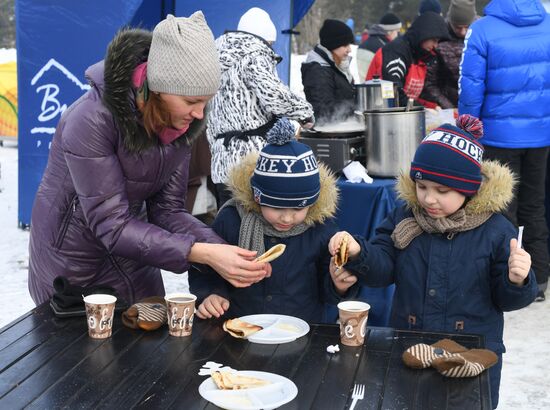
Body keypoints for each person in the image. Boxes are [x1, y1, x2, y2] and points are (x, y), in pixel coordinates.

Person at [27, 12, 272, 306]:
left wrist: (225, 252)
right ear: (157, 88)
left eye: (206, 102)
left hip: (137, 252)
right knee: (81, 351)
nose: (199, 114)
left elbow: (167, 211)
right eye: (191, 101)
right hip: (74, 263)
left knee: (148, 345)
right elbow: (111, 224)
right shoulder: (90, 120)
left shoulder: (181, 124)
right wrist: (202, 253)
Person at [328, 115, 538, 408]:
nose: (428, 199)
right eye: (422, 185)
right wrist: (358, 253)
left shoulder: (495, 230)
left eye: (442, 191)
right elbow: (382, 268)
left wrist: (518, 281)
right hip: (409, 347)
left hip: (471, 356)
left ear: (469, 190)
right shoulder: (405, 218)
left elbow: (505, 300)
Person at [190, 118, 358, 322]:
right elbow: (204, 268)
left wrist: (338, 285)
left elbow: (327, 287)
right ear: (257, 197)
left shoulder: (320, 228)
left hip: (301, 332)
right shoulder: (232, 219)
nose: (287, 217)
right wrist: (210, 294)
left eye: (298, 208)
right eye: (276, 207)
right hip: (239, 330)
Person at [459, 0, 550, 302]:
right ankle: (537, 279)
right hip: (541, 134)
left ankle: (504, 278)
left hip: (498, 136)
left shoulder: (482, 29)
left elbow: (471, 85)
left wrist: (466, 127)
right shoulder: (547, 24)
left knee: (499, 208)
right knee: (534, 204)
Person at [207, 7, 314, 208]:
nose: (271, 49)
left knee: (227, 222)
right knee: (252, 226)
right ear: (264, 38)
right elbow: (274, 95)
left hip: (222, 160)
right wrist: (304, 112)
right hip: (250, 160)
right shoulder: (254, 53)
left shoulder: (217, 55)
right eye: (271, 44)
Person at [366, 11, 449, 107]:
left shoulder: (420, 55)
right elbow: (393, 93)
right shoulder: (396, 52)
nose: (435, 45)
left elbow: (416, 95)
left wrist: (433, 106)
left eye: (438, 42)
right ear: (425, 34)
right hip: (381, 110)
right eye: (434, 40)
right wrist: (420, 109)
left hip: (403, 112)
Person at [420, 0, 477, 108]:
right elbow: (430, 82)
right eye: (458, 27)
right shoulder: (438, 37)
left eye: (467, 27)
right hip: (450, 105)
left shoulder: (482, 33)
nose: (462, 32)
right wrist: (449, 108)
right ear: (450, 22)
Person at [301, 18, 356, 124]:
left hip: (341, 127)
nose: (349, 49)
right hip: (329, 133)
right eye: (345, 45)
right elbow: (323, 110)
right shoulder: (318, 70)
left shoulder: (337, 65)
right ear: (333, 44)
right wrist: (354, 112)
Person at [356, 13, 402, 81]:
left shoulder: (366, 43)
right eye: (397, 31)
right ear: (390, 32)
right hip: (372, 86)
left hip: (360, 85)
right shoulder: (384, 48)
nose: (397, 35)